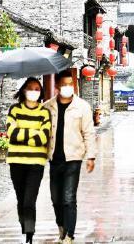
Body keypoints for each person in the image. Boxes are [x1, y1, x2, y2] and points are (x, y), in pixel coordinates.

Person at [44, 70, 96, 243]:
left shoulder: (82, 106)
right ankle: (62, 228)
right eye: (64, 84)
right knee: (55, 199)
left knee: (68, 197)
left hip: (73, 158)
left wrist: (91, 156)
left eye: (70, 84)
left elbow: (88, 132)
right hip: (54, 159)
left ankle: (70, 236)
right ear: (57, 86)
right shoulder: (48, 107)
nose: (68, 87)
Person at [6, 77, 51, 244]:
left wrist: (23, 134)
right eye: (30, 88)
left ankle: (30, 233)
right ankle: (24, 225)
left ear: (41, 92)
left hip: (36, 163)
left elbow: (43, 137)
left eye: (37, 89)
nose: (34, 91)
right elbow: (12, 133)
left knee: (29, 201)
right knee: (21, 199)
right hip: (16, 161)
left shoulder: (44, 112)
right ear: (24, 90)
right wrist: (33, 134)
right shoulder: (14, 109)